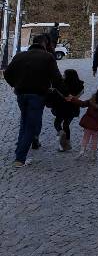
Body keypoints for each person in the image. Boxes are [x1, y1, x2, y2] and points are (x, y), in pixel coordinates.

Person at [3, 34, 64, 168]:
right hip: (38, 95)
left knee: (25, 122)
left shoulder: (19, 55)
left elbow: (7, 74)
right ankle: (20, 158)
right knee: (30, 124)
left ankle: (20, 150)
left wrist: (16, 84)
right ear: (44, 44)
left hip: (21, 94)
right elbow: (57, 79)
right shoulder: (48, 57)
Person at [67, 86, 98, 162]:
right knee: (95, 140)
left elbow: (82, 103)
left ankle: (82, 150)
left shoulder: (92, 101)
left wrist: (72, 99)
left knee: (85, 137)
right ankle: (93, 154)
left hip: (88, 123)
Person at [50, 69, 85, 152]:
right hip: (73, 108)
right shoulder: (80, 85)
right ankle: (67, 143)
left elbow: (57, 94)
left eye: (64, 75)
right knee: (66, 125)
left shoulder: (62, 85)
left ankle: (61, 133)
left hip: (61, 108)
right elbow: (78, 96)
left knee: (57, 123)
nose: (63, 76)